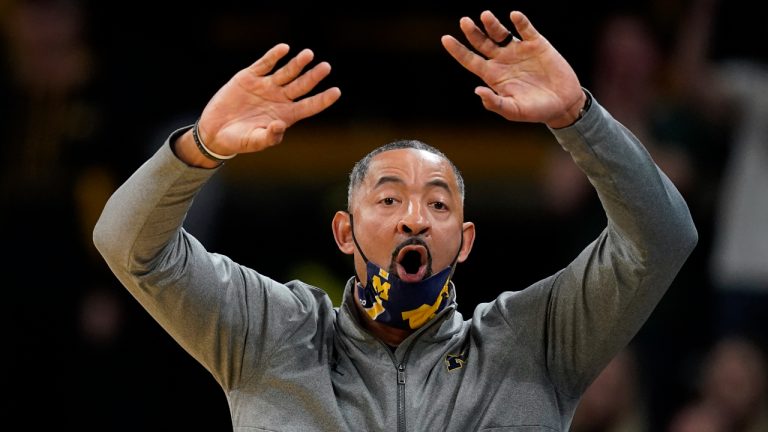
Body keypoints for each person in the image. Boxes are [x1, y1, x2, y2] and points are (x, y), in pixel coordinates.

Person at [93, 9, 697, 431]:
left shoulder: (533, 342)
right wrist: (201, 147)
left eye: (438, 204)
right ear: (344, 231)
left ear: (464, 242)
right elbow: (128, 245)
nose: (414, 217)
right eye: (388, 199)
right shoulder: (270, 333)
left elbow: (664, 238)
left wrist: (579, 118)